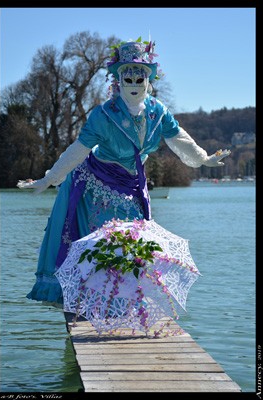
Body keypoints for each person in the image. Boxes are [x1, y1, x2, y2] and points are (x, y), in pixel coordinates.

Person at [17, 39, 230, 308]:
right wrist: (50, 178)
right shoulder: (103, 115)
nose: (133, 81)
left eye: (139, 75)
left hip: (132, 187)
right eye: (127, 76)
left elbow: (180, 140)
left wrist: (204, 159)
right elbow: (78, 149)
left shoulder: (157, 112)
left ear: (148, 79)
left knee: (135, 242)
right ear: (118, 80)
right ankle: (93, 299)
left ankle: (125, 300)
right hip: (96, 185)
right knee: (102, 242)